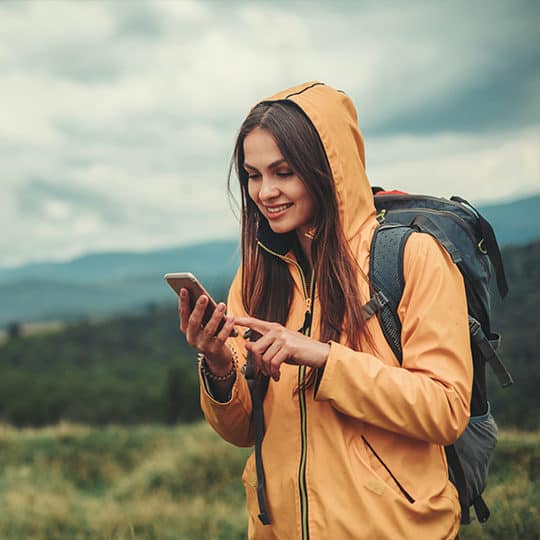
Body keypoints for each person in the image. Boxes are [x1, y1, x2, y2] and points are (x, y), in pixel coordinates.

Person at [179, 81, 472, 539]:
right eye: (253, 175)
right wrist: (218, 364)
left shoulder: (412, 257)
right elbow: (242, 432)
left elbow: (447, 410)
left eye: (283, 172)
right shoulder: (256, 278)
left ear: (325, 170)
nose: (265, 191)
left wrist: (323, 357)